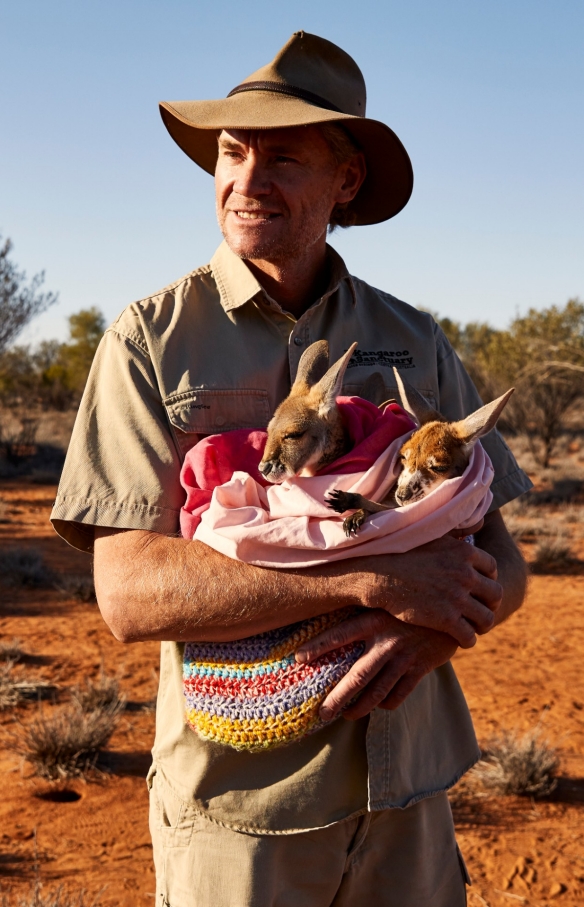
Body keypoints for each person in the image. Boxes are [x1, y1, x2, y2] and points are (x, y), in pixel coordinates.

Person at [51, 31, 531, 907]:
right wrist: (373, 580)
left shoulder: (415, 338)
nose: (247, 179)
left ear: (347, 181)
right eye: (233, 153)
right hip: (242, 815)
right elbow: (128, 592)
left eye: (284, 158)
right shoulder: (151, 339)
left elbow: (506, 560)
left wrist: (439, 622)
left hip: (409, 803)